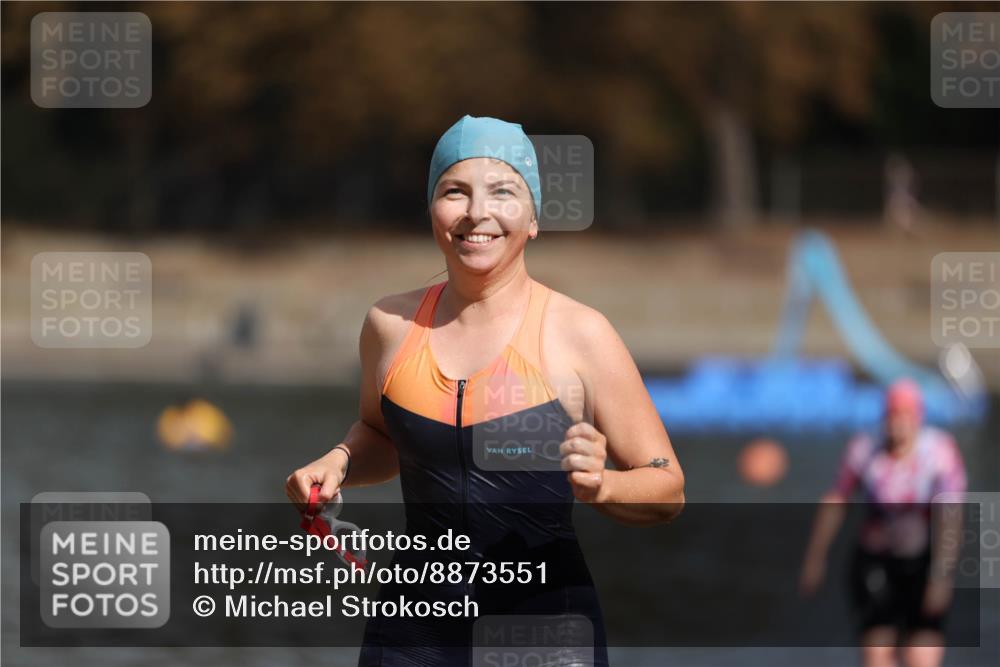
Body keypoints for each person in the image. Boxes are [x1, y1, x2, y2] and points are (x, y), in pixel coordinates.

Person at [286, 114, 685, 666]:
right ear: (433, 209)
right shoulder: (389, 326)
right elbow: (382, 435)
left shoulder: (580, 333)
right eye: (455, 191)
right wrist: (339, 461)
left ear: (534, 218)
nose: (477, 213)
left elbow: (668, 488)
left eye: (503, 192)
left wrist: (602, 488)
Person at [800, 379, 967, 667]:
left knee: (922, 658)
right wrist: (815, 558)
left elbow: (951, 517)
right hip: (876, 562)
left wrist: (942, 575)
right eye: (892, 415)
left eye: (906, 415)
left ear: (918, 417)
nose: (898, 423)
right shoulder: (864, 450)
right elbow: (836, 500)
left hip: (923, 562)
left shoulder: (939, 452)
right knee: (877, 658)